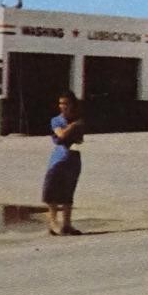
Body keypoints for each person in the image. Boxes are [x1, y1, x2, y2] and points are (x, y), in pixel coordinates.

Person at [43, 90, 85, 236]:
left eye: (66, 103)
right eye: (61, 103)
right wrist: (73, 126)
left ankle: (67, 224)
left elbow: (79, 139)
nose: (63, 106)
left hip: (73, 157)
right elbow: (61, 135)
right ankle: (53, 222)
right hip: (58, 158)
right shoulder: (57, 120)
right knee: (52, 191)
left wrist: (74, 126)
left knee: (68, 191)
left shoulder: (77, 120)